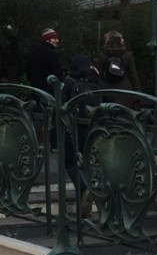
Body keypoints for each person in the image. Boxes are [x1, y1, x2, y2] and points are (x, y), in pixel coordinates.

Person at [61, 54, 104, 209]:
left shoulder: (70, 81)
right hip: (93, 128)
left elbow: (62, 103)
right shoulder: (94, 81)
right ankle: (90, 193)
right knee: (88, 162)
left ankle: (83, 188)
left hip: (75, 128)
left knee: (70, 162)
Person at [24, 27, 63, 92]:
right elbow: (57, 73)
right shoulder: (51, 53)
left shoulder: (31, 52)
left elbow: (28, 71)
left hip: (35, 90)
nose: (57, 40)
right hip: (49, 92)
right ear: (47, 40)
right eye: (54, 38)